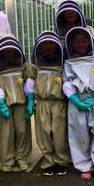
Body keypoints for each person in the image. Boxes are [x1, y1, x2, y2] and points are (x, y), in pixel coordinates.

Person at [62, 27, 94, 182]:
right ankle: (84, 165)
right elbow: (67, 82)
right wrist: (75, 99)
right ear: (72, 43)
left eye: (84, 41)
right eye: (77, 41)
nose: (80, 44)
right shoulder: (68, 62)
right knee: (79, 133)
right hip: (77, 101)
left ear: (90, 42)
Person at [24, 31, 71, 176]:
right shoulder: (35, 66)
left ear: (57, 46)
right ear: (39, 47)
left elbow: (68, 83)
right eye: (44, 44)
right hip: (42, 103)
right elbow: (30, 83)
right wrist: (30, 99)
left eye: (51, 43)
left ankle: (61, 161)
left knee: (59, 133)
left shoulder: (63, 64)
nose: (48, 46)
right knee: (43, 132)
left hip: (59, 103)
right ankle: (48, 162)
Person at [0, 36, 32, 172]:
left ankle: (22, 159)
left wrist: (31, 100)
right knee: (6, 133)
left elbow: (29, 83)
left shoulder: (24, 67)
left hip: (22, 103)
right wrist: (1, 102)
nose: (8, 51)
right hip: (5, 105)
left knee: (22, 131)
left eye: (11, 49)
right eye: (6, 49)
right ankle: (7, 159)